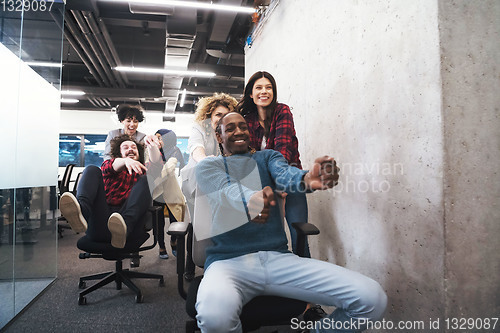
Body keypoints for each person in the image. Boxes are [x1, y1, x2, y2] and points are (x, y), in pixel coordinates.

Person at [194, 113, 387, 333]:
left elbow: (285, 175)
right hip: (227, 263)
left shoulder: (268, 157)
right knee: (214, 318)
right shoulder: (209, 166)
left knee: (372, 298)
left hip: (277, 259)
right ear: (219, 137)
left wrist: (307, 179)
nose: (238, 132)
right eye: (230, 129)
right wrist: (250, 199)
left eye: (243, 127)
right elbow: (226, 189)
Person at [236, 71, 310, 258]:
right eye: (259, 88)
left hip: (289, 181)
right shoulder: (248, 120)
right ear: (251, 94)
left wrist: (281, 185)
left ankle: (305, 282)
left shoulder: (282, 111)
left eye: (268, 87)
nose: (264, 91)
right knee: (264, 242)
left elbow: (282, 151)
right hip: (262, 186)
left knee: (299, 236)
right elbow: (249, 157)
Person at [59, 134, 162, 249]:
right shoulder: (111, 167)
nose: (130, 149)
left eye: (134, 147)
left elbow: (156, 163)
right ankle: (81, 214)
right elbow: (112, 165)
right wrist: (125, 161)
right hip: (101, 224)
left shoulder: (144, 170)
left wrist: (151, 145)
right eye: (126, 147)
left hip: (128, 230)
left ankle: (123, 228)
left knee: (147, 179)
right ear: (119, 154)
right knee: (91, 169)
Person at [180, 92, 237, 280]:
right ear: (209, 116)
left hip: (218, 183)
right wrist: (206, 161)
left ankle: (215, 264)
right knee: (197, 223)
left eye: (226, 115)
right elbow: (196, 149)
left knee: (218, 222)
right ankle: (191, 264)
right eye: (218, 115)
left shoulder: (229, 133)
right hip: (195, 180)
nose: (222, 118)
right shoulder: (199, 128)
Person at [152, 129, 186, 259]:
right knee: (158, 222)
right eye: (156, 138)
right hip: (156, 193)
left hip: (170, 189)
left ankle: (174, 241)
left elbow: (169, 168)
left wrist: (152, 178)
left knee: (175, 219)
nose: (157, 141)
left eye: (160, 138)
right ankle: (161, 247)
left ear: (167, 139)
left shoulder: (174, 151)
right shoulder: (151, 151)